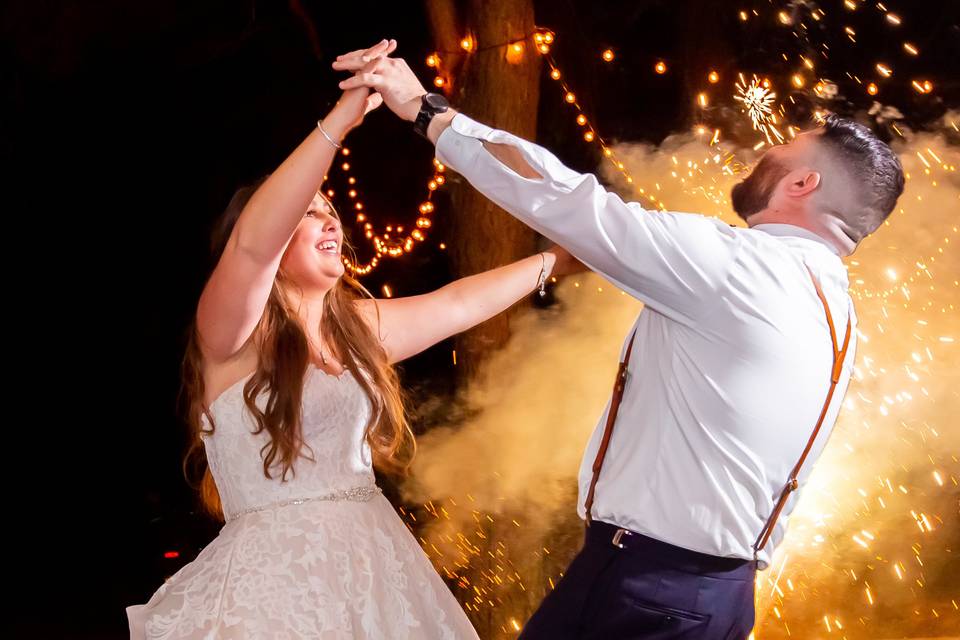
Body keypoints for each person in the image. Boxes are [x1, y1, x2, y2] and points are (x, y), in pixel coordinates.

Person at [334, 41, 905, 639]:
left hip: (646, 590)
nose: (764, 151)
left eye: (780, 152)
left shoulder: (741, 267)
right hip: (721, 601)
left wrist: (426, 111)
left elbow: (560, 196)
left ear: (803, 181)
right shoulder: (836, 314)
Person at [127, 39, 581, 639]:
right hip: (274, 593)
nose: (329, 220)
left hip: (377, 575)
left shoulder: (356, 328)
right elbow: (252, 244)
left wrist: (554, 262)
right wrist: (342, 118)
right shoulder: (229, 332)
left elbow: (456, 303)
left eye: (329, 210)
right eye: (308, 214)